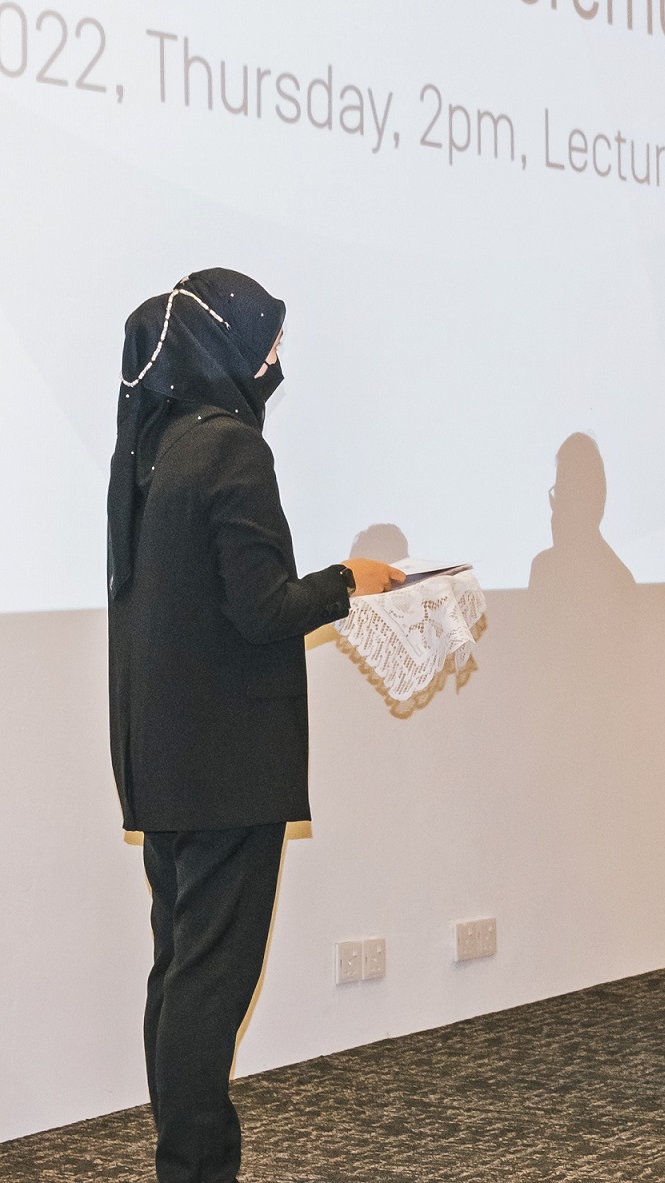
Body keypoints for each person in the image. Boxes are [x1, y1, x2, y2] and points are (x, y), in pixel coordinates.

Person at [106, 269, 402, 1182]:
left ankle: (181, 1160)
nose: (276, 360)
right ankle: (196, 1168)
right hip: (227, 765)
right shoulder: (232, 450)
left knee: (177, 970)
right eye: (266, 341)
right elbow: (263, 606)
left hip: (163, 764)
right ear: (223, 348)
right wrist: (352, 580)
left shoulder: (150, 452)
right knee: (210, 983)